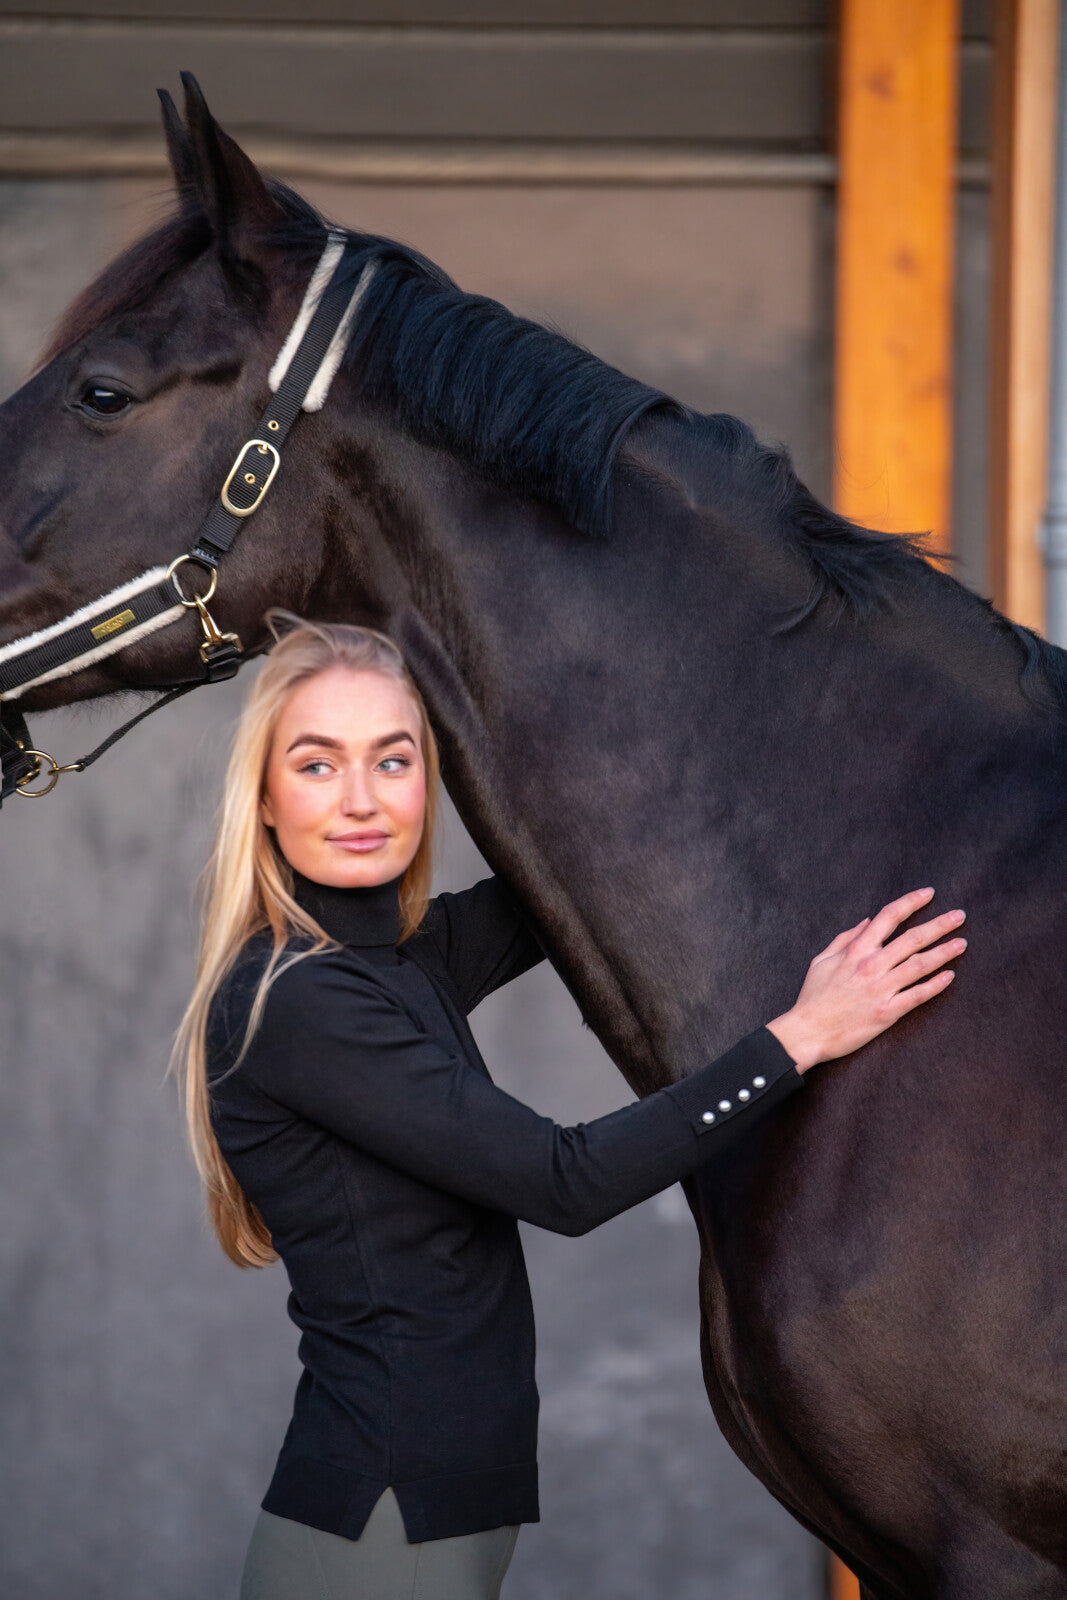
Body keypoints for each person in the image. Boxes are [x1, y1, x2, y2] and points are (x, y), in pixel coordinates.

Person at [171, 612, 967, 1600]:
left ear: (431, 778)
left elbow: (563, 869)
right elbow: (568, 1179)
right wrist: (802, 1033)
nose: (363, 799)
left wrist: (743, 699)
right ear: (264, 797)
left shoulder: (390, 964)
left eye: (393, 758)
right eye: (318, 763)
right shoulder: (301, 1003)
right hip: (380, 1525)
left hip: (425, 1516)